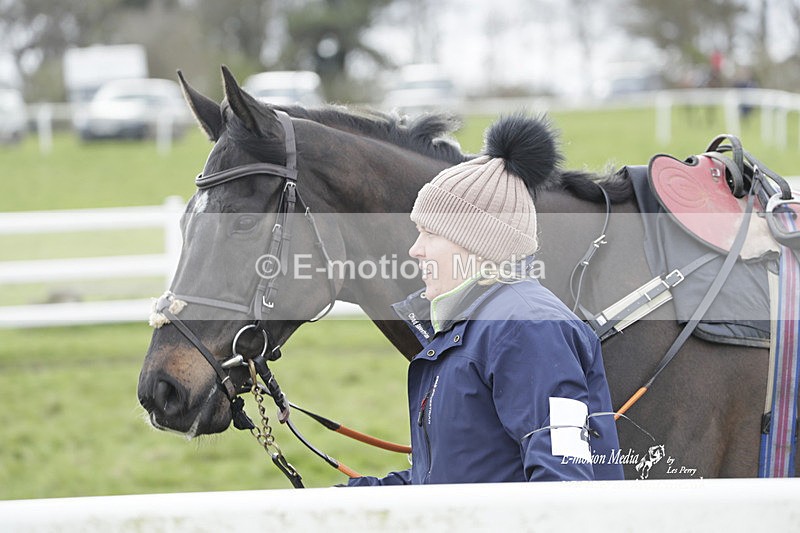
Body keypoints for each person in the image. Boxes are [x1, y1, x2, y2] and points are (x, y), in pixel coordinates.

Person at [347, 115, 623, 485]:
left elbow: (564, 485)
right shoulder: (465, 330)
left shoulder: (527, 327)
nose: (415, 250)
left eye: (430, 233)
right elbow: (438, 483)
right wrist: (333, 504)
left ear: (478, 246)